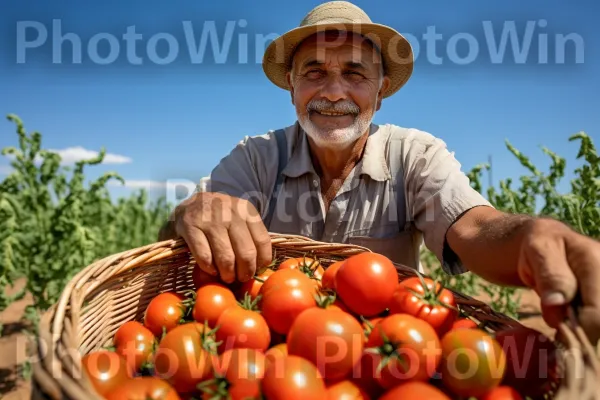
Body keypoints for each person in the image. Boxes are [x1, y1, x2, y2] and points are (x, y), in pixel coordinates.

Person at [159, 1, 600, 343]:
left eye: (355, 73)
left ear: (380, 91)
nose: (334, 92)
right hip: (274, 352)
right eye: (314, 72)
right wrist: (195, 210)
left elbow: (476, 228)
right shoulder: (256, 157)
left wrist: (531, 237)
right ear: (292, 86)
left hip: (387, 352)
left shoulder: (414, 155)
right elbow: (175, 233)